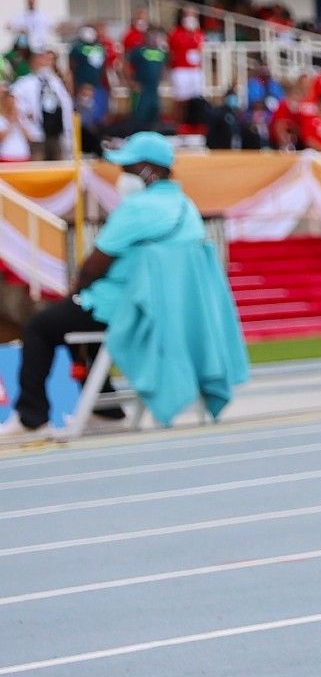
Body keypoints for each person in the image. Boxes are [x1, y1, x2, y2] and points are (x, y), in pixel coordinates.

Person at [6, 132, 247, 445]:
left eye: (128, 169)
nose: (122, 177)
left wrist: (75, 292)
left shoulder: (138, 208)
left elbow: (94, 263)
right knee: (77, 315)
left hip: (131, 306)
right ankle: (106, 412)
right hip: (172, 310)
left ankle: (31, 418)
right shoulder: (186, 207)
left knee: (43, 324)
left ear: (150, 170)